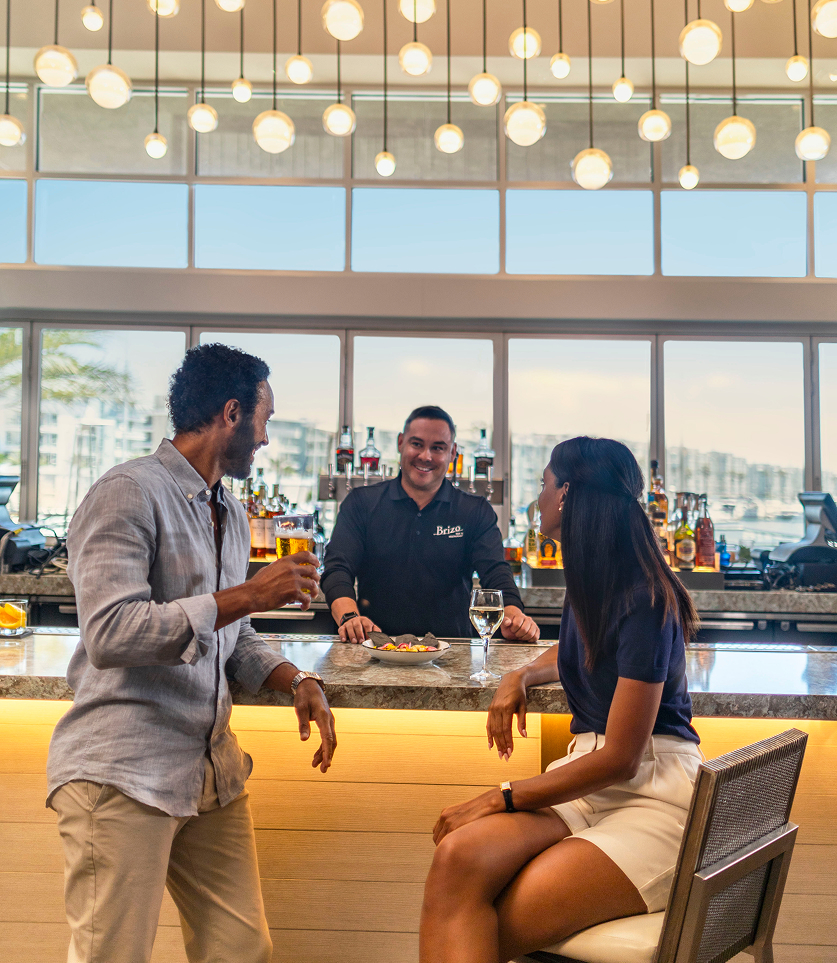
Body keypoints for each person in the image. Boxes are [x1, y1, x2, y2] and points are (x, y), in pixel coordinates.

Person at [47, 343, 337, 963]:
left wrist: (293, 680)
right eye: (264, 420)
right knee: (112, 956)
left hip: (210, 773)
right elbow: (111, 633)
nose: (265, 438)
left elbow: (230, 637)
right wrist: (250, 593)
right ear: (232, 413)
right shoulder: (127, 494)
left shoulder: (228, 510)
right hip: (122, 772)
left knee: (240, 951)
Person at [419, 436, 701, 963]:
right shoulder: (595, 578)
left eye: (544, 483)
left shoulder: (644, 597)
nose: (538, 496)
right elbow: (576, 653)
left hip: (654, 794)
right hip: (590, 784)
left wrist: (499, 796)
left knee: (489, 921)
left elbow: (620, 757)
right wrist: (521, 676)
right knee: (458, 858)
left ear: (567, 495)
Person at [322, 405, 539, 643]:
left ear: (453, 452)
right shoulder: (362, 503)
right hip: (373, 647)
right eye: (417, 444)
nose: (426, 456)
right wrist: (349, 617)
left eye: (438, 448)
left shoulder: (474, 511)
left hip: (450, 653)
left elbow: (496, 572)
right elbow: (337, 568)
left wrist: (513, 616)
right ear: (400, 443)